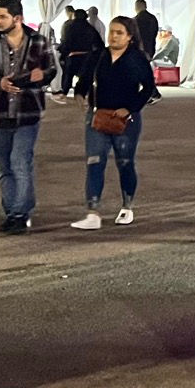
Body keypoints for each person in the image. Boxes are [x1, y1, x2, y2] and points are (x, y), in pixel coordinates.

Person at [70, 18, 159, 230]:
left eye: (119, 32)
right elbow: (82, 81)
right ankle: (92, 212)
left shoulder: (137, 59)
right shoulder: (98, 56)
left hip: (126, 121)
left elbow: (148, 89)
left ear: (130, 36)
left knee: (125, 162)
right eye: (111, 32)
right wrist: (80, 96)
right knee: (94, 162)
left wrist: (130, 109)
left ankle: (127, 206)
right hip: (98, 117)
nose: (114, 36)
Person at [0, 0, 56, 233]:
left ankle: (20, 213)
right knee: (3, 166)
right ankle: (12, 210)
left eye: (3, 17)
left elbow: (51, 69)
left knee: (20, 162)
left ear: (18, 19)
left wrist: (40, 76)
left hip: (28, 112)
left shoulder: (38, 42)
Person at [56, 6, 102, 101]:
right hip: (87, 56)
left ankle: (64, 93)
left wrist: (63, 53)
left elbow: (66, 41)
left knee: (68, 75)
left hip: (73, 55)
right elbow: (99, 44)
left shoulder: (69, 27)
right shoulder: (90, 28)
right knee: (85, 77)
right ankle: (82, 95)